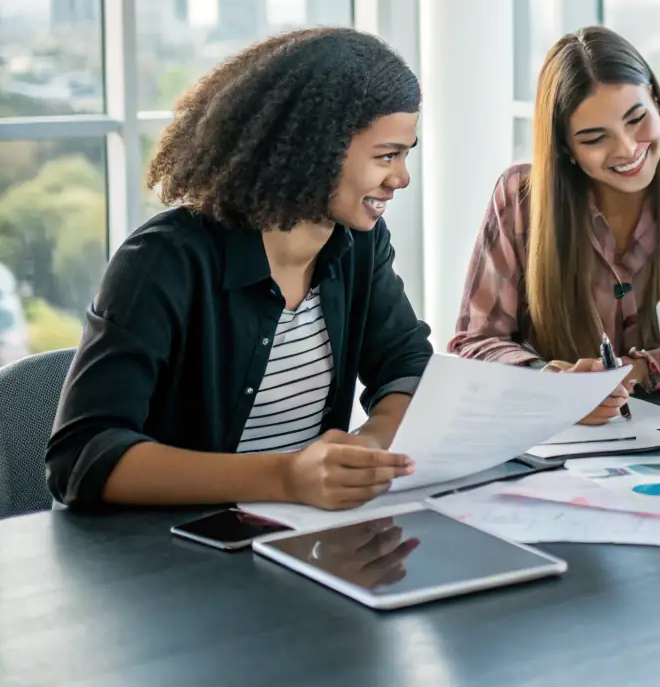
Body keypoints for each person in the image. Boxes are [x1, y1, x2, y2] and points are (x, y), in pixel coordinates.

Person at [47, 28, 432, 513]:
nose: (401, 177)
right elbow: (82, 456)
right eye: (386, 156)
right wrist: (286, 477)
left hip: (296, 536)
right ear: (317, 148)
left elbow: (407, 365)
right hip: (168, 555)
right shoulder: (163, 261)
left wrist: (370, 449)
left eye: (404, 154)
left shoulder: (359, 243)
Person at [450, 27, 660, 423]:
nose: (627, 148)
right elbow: (475, 342)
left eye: (636, 118)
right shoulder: (519, 197)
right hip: (555, 434)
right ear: (567, 150)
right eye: (595, 139)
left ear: (658, 103)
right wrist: (552, 382)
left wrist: (624, 376)